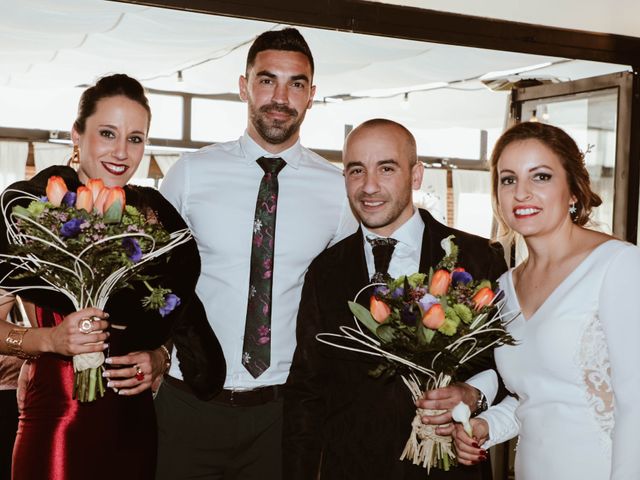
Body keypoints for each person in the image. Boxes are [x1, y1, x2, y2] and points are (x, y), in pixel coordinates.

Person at [0, 74, 224, 480]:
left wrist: (160, 354)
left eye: (135, 139)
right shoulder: (32, 211)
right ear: (76, 135)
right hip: (58, 423)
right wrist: (46, 341)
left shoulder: (154, 220)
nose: (122, 152)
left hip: (134, 421)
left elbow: (173, 311)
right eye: (108, 133)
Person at [156, 28, 356, 479]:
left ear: (312, 96)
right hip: (189, 405)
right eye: (267, 80)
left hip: (282, 415)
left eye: (296, 84)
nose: (281, 97)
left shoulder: (337, 191)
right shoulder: (190, 175)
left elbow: (344, 299)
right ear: (244, 85)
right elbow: (155, 280)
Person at [283, 118, 507, 479]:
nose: (369, 186)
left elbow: (512, 367)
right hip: (353, 468)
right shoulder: (325, 270)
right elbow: (307, 391)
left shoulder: (478, 258)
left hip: (450, 468)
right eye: (356, 170)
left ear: (416, 175)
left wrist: (473, 394)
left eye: (386, 168)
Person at [452, 121, 640, 479]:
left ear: (573, 190)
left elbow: (637, 403)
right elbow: (535, 399)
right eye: (508, 179)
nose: (521, 192)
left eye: (540, 177)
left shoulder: (617, 265)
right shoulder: (505, 287)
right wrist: (486, 426)